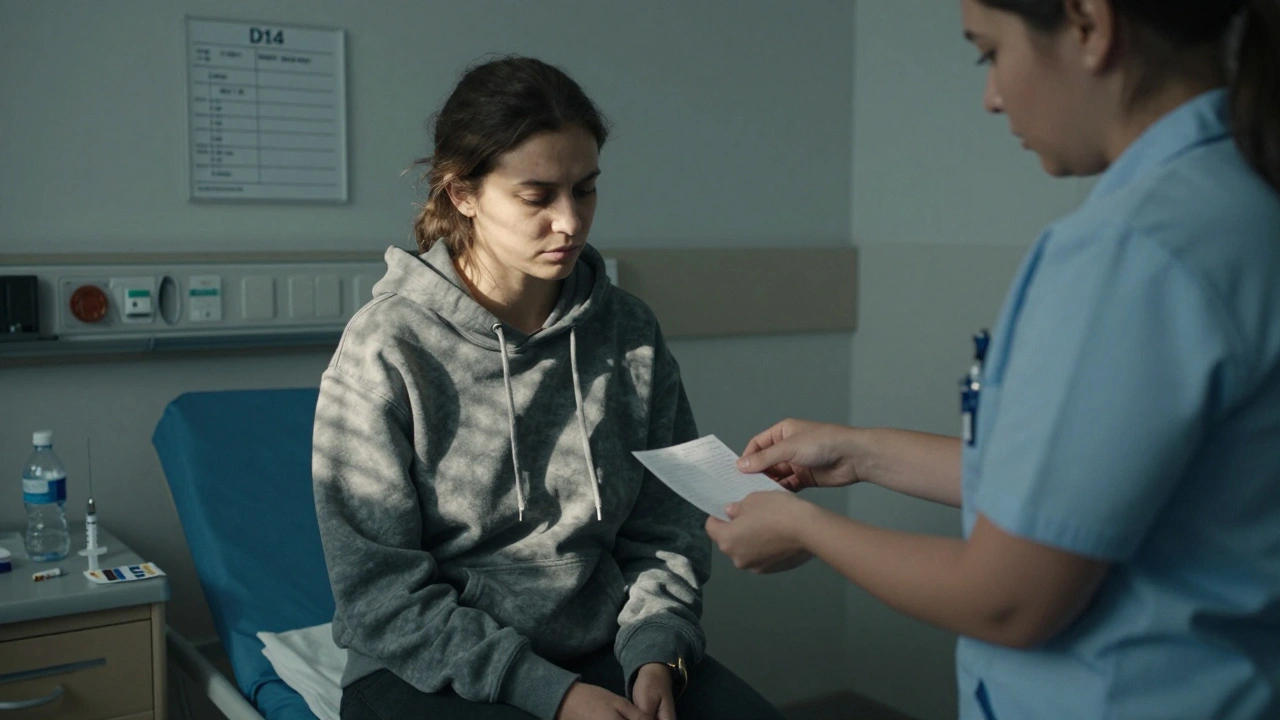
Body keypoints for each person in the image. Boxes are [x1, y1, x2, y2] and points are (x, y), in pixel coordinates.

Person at [706, 1, 1280, 718]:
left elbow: (1009, 600)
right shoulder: (1242, 201)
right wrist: (863, 452)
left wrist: (800, 527)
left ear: (1089, 25)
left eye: (989, 53)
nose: (991, 97)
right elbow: (1085, 488)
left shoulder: (1131, 253)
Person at [312, 56, 785, 720]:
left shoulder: (627, 332)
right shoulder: (387, 350)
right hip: (429, 664)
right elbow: (379, 600)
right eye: (537, 197)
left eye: (585, 190)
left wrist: (658, 652)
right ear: (462, 194)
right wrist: (552, 694)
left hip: (607, 647)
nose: (570, 221)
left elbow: (665, 531)